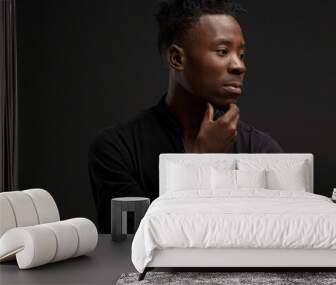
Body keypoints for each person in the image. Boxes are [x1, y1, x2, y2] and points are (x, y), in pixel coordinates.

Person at [88, 0, 283, 233]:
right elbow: (140, 243)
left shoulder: (261, 150)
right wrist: (201, 162)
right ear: (177, 59)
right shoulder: (116, 149)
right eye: (223, 51)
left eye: (241, 54)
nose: (239, 66)